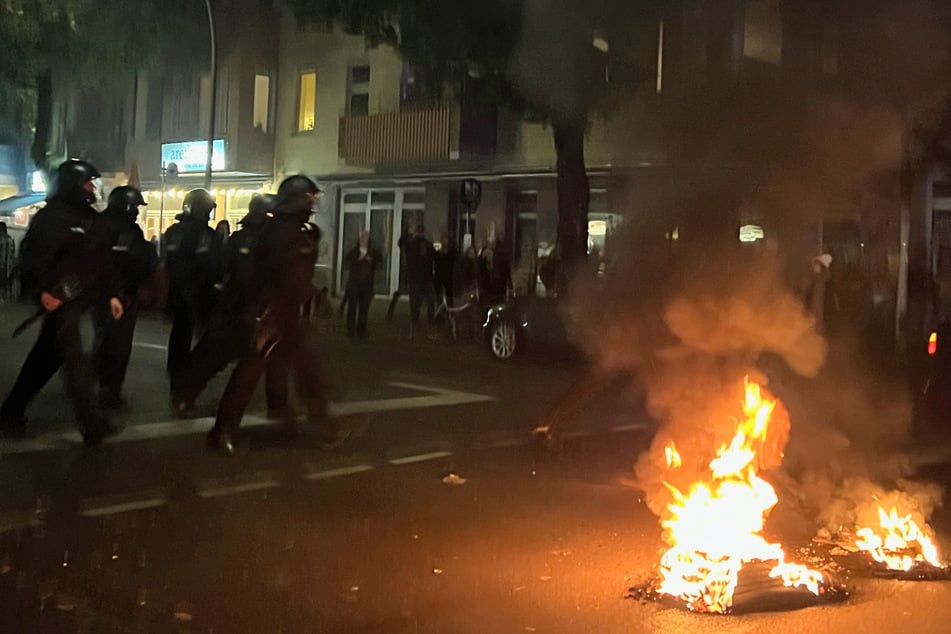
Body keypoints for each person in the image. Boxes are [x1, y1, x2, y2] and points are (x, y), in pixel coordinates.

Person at [208, 175, 342, 456]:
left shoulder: (288, 229)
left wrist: (311, 295)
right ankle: (223, 433)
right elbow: (282, 275)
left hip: (283, 314)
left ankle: (323, 425)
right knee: (249, 374)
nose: (313, 203)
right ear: (297, 200)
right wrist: (309, 296)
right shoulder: (283, 232)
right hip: (270, 315)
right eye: (309, 198)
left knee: (306, 370)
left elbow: (295, 275)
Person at [0, 159, 122, 445]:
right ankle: (93, 425)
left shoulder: (88, 218)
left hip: (77, 299)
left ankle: (10, 412)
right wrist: (44, 291)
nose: (93, 188)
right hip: (60, 300)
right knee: (74, 362)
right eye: (89, 183)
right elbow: (32, 258)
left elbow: (101, 260)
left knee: (45, 359)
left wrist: (112, 292)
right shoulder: (53, 217)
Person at [170, 194, 280, 414]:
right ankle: (221, 414)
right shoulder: (261, 242)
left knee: (219, 354)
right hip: (245, 309)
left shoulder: (237, 239)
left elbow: (221, 270)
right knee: (227, 356)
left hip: (233, 307)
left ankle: (187, 394)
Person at [92, 186, 158, 411]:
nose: (138, 212)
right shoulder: (123, 230)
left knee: (106, 342)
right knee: (118, 347)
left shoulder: (104, 225)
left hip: (108, 295)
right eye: (136, 207)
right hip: (119, 296)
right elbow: (136, 261)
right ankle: (108, 392)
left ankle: (99, 386)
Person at [161, 188, 224, 380]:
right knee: (203, 335)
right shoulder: (207, 235)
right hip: (199, 291)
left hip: (175, 290)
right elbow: (214, 266)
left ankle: (176, 369)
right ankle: (187, 376)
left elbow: (165, 259)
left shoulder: (173, 231)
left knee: (180, 333)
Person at [398, 223, 435, 339]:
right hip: (422, 278)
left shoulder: (414, 244)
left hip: (418, 278)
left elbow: (401, 244)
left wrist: (406, 231)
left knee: (416, 303)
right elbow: (435, 257)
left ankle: (415, 327)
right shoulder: (426, 244)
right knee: (427, 302)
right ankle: (424, 326)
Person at [343, 230, 382, 340]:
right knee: (352, 308)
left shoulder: (373, 252)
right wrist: (358, 259)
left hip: (367, 285)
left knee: (364, 309)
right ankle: (351, 330)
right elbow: (346, 263)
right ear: (359, 239)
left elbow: (380, 263)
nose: (364, 240)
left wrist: (372, 261)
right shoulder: (354, 251)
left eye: (366, 238)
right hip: (354, 284)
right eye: (362, 238)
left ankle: (361, 331)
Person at [434, 232, 457, 306]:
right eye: (443, 239)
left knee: (449, 294)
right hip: (439, 275)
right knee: (439, 293)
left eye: (446, 239)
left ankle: (450, 310)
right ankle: (440, 308)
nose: (445, 241)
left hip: (449, 275)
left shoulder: (452, 251)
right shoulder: (438, 251)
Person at [0, 222, 14, 301]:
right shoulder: (9, 239)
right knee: (4, 281)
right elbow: (11, 252)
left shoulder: (5, 240)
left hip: (3, 263)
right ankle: (4, 296)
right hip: (6, 264)